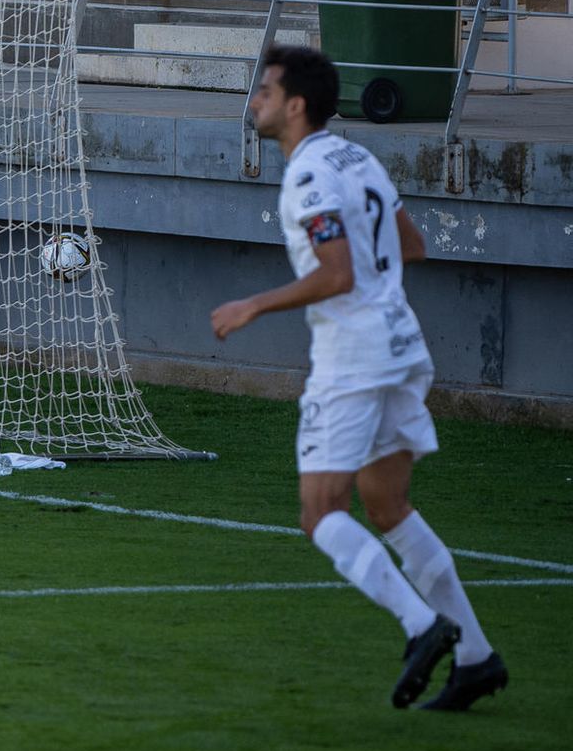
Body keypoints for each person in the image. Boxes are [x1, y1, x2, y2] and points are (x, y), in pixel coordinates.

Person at [211, 45, 507, 712]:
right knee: (389, 509)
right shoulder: (357, 157)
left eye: (265, 91)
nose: (255, 100)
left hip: (355, 356)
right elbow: (410, 243)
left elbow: (338, 273)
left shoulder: (310, 174)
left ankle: (423, 624)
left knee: (321, 514)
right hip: (403, 344)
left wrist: (253, 304)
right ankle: (477, 657)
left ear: (294, 105)